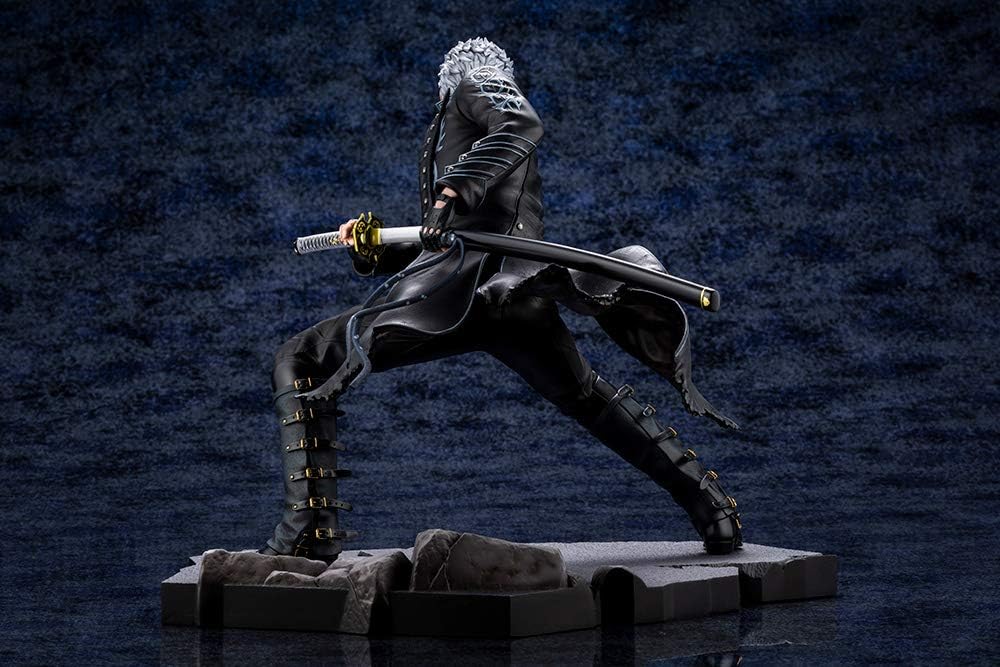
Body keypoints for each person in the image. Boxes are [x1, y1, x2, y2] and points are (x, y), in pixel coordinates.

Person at [259, 38, 742, 563]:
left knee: (301, 358)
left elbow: (521, 124)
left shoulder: (476, 82)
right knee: (584, 396)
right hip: (501, 292)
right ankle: (712, 507)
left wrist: (450, 192)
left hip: (477, 289)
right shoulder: (459, 127)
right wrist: (374, 249)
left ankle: (309, 532)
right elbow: (451, 238)